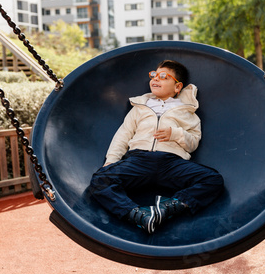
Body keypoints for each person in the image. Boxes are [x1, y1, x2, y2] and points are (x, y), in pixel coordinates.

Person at [89, 60, 224, 234]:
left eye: (163, 76)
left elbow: (193, 144)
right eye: (153, 75)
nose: (155, 79)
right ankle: (139, 215)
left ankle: (167, 208)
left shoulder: (187, 113)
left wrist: (174, 133)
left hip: (171, 163)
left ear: (177, 87)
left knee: (213, 179)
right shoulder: (140, 108)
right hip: (138, 160)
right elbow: (123, 135)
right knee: (99, 180)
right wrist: (112, 160)